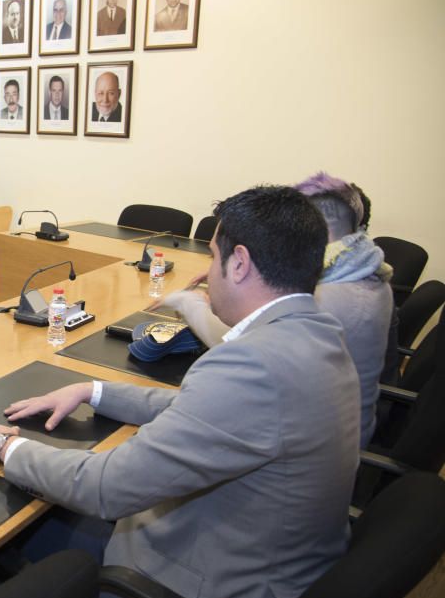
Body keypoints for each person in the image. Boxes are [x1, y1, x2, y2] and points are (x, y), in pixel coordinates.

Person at [0, 186, 360, 598]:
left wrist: (2, 446)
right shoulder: (318, 336)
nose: (207, 272)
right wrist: (93, 390)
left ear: (238, 263)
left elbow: (105, 487)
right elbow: (201, 409)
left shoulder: (254, 366)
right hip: (270, 555)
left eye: (212, 256)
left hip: (207, 588)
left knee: (4, 535)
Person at [154, 173, 393, 447]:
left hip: (315, 441)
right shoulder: (365, 269)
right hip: (325, 418)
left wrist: (190, 303)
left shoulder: (331, 299)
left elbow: (233, 344)